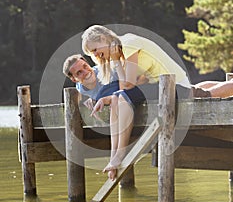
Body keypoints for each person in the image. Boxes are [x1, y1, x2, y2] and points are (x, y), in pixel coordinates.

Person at [81, 25, 233, 180]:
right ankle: (114, 155)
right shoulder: (119, 53)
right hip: (167, 83)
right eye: (91, 53)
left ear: (102, 38)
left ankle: (119, 155)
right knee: (116, 99)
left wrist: (116, 63)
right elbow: (132, 84)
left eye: (94, 49)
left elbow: (126, 86)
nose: (95, 55)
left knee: (206, 95)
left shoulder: (127, 44)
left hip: (172, 85)